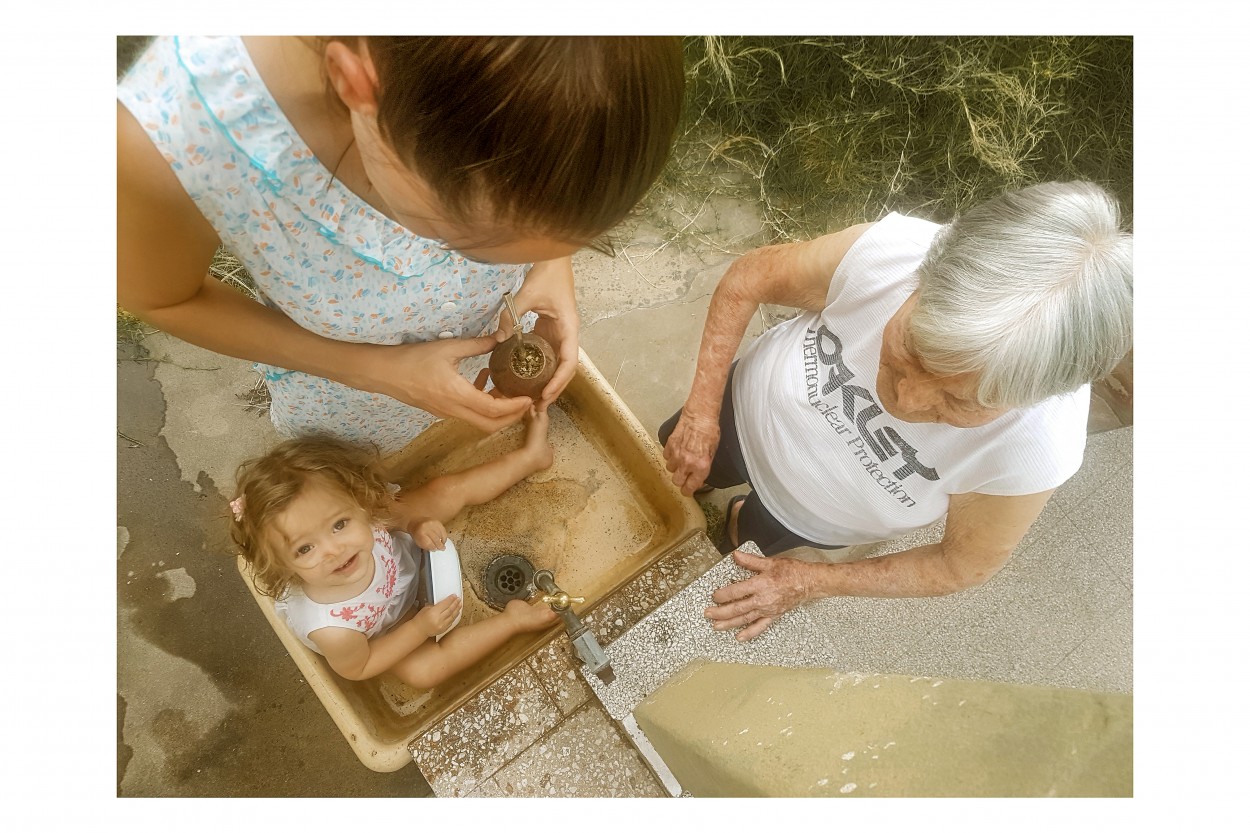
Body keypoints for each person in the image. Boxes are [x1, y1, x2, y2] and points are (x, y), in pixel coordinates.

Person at [118, 36, 684, 454]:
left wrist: (552, 259)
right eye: (467, 245)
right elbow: (162, 299)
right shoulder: (171, 138)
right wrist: (376, 372)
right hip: (344, 388)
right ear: (354, 85)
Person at [660, 181, 1133, 640]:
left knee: (752, 536)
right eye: (913, 349)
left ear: (1038, 398)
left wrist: (806, 582)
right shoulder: (890, 253)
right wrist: (701, 413)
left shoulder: (1041, 450)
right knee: (676, 466)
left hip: (811, 519)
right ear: (926, 275)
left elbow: (960, 564)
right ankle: (703, 480)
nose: (905, 402)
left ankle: (741, 520)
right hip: (736, 414)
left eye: (959, 400)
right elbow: (750, 277)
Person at [230, 408, 558, 688]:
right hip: (390, 625)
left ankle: (530, 458)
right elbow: (360, 667)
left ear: (358, 502)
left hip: (400, 557)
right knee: (423, 671)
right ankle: (513, 621)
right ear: (283, 566)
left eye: (339, 525)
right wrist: (419, 628)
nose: (334, 549)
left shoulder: (364, 514)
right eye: (304, 549)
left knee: (444, 492)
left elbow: (393, 519)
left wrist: (415, 526)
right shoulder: (332, 629)